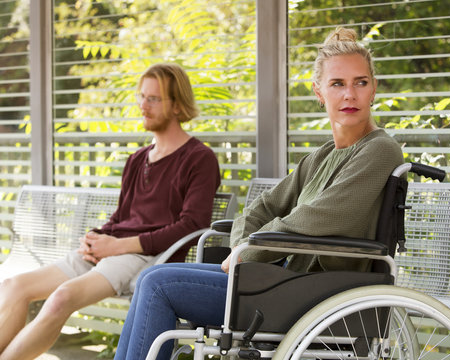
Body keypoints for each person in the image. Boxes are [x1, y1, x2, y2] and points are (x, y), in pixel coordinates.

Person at [114, 26, 404, 360]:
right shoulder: (322, 156)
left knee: (158, 286)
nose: (349, 95)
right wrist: (242, 246)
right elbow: (261, 208)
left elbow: (321, 219)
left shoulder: (381, 150)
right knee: (152, 275)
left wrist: (249, 253)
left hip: (315, 292)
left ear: (373, 89)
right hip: (281, 280)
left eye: (360, 82)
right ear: (319, 92)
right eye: (337, 84)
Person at [0, 63, 221, 360]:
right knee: (14, 286)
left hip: (143, 257)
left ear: (178, 105)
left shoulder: (199, 159)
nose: (143, 105)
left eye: (153, 99)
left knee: (60, 298)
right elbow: (121, 217)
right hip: (111, 249)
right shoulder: (137, 159)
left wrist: (119, 245)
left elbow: (192, 226)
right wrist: (96, 238)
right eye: (141, 96)